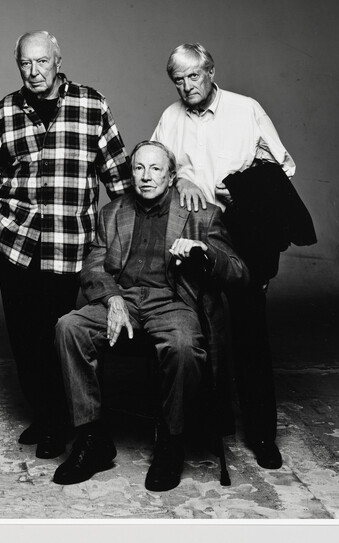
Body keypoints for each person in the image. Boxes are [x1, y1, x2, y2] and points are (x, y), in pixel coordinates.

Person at [0, 30, 132, 459]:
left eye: (42, 61)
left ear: (58, 61)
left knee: (60, 332)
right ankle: (45, 416)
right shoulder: (5, 111)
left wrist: (119, 240)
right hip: (16, 242)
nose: (34, 71)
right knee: (25, 336)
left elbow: (118, 178)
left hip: (69, 242)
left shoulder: (91, 105)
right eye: (25, 63)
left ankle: (61, 421)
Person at [53, 141, 248, 491]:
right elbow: (93, 266)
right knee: (69, 327)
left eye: (156, 169)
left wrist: (204, 252)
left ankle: (172, 441)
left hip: (172, 301)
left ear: (171, 176)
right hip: (123, 299)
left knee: (184, 346)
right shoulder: (113, 212)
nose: (146, 176)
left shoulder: (201, 214)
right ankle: (92, 437)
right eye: (139, 168)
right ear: (131, 174)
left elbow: (238, 271)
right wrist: (113, 298)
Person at [151, 42, 299, 470]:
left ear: (211, 71)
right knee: (200, 326)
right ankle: (209, 426)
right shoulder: (170, 117)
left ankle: (262, 435)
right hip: (197, 233)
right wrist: (180, 180)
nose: (187, 87)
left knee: (249, 330)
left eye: (194, 76)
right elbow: (156, 165)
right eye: (178, 80)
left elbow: (283, 168)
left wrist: (244, 191)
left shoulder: (245, 109)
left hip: (244, 232)